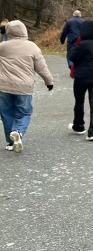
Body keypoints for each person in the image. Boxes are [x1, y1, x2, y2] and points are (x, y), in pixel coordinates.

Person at [0, 20, 54, 153]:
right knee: (24, 113)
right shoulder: (32, 47)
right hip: (24, 88)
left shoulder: (2, 46)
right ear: (24, 31)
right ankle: (18, 132)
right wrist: (49, 81)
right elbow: (42, 68)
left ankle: (11, 142)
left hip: (4, 86)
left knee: (6, 113)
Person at [68, 19, 93, 141]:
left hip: (81, 76)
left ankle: (79, 126)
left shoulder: (82, 44)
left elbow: (72, 57)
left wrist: (74, 45)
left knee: (79, 102)